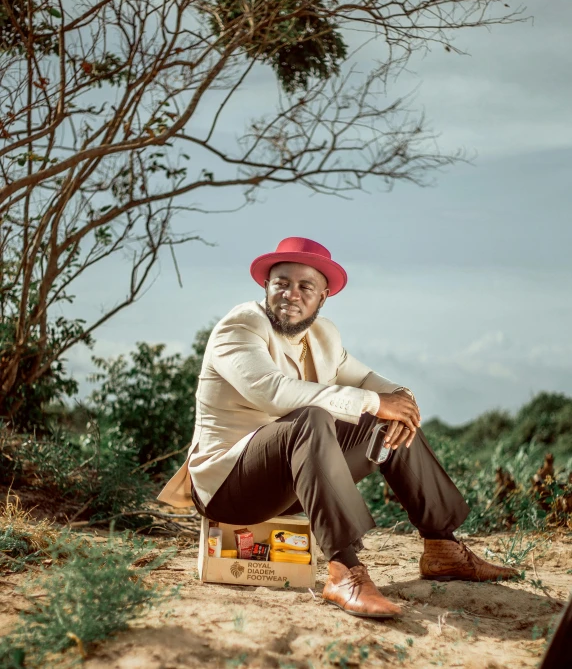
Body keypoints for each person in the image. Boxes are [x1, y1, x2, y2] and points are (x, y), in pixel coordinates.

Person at [159, 237, 518, 619]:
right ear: (265, 286)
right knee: (312, 416)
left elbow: (367, 380)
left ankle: (442, 547)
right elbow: (273, 393)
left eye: (305, 286)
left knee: (384, 417)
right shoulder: (241, 325)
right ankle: (345, 571)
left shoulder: (323, 335)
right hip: (228, 486)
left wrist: (400, 399)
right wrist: (375, 401)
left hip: (292, 480)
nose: (290, 294)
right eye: (281, 283)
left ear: (323, 296)